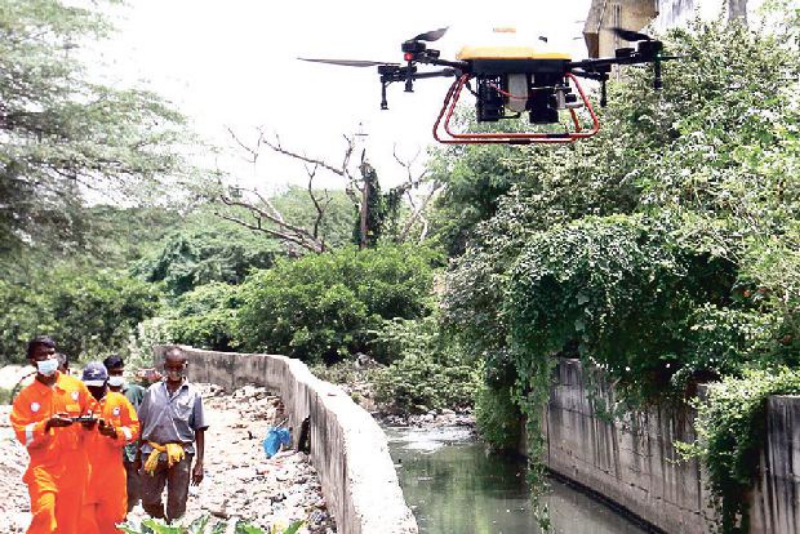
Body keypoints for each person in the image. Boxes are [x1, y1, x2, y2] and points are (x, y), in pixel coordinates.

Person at [9, 336, 97, 534]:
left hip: (75, 469)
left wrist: (91, 421)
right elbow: (23, 434)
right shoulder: (26, 397)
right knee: (44, 514)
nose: (49, 358)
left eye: (51, 353)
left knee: (69, 525)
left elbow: (93, 411)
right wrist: (47, 424)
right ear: (33, 361)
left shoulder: (75, 386)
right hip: (44, 470)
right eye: (42, 355)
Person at [135, 347, 208, 522]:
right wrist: (137, 454)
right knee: (148, 499)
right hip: (152, 452)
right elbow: (141, 423)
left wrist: (199, 463)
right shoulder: (152, 391)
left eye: (178, 368)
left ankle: (172, 528)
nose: (174, 372)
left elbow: (199, 429)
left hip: (180, 454)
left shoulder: (194, 394)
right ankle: (161, 522)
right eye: (170, 367)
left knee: (178, 502)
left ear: (185, 366)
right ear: (164, 366)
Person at [79, 362, 140, 534]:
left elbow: (134, 430)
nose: (93, 391)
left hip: (111, 478)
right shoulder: (80, 403)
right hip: (84, 477)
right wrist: (82, 427)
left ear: (106, 382)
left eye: (97, 386)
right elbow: (65, 435)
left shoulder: (119, 401)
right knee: (84, 525)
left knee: (114, 523)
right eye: (89, 387)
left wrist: (115, 433)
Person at [102, 354, 146, 513]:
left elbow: (146, 415)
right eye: (112, 373)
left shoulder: (135, 392)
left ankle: (125, 516)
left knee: (133, 491)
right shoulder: (100, 394)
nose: (116, 377)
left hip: (131, 452)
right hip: (108, 453)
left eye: (119, 373)